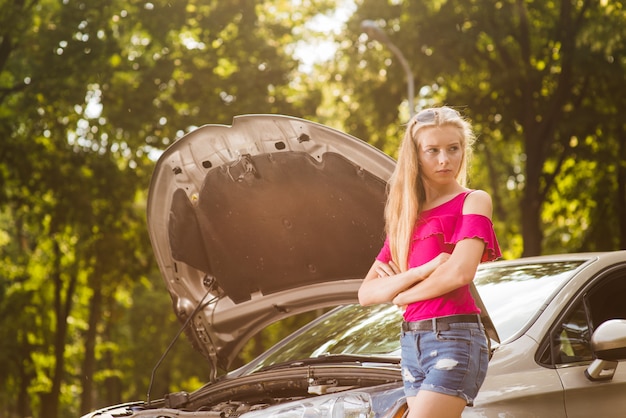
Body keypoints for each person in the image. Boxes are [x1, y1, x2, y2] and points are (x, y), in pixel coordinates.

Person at [358, 106, 501, 418]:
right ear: (416, 155)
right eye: (432, 150)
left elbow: (460, 272)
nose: (444, 160)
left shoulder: (473, 201)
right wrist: (424, 270)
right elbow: (366, 293)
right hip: (411, 342)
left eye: (453, 149)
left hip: (455, 338)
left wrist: (402, 294)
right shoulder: (406, 217)